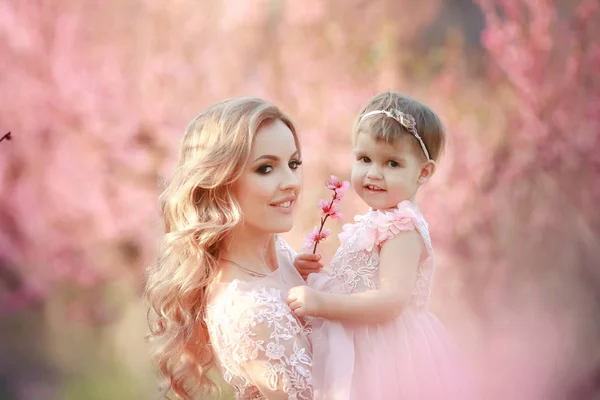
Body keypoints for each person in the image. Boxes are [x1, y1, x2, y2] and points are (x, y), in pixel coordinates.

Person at [288, 92, 472, 399]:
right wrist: (312, 275)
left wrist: (321, 303)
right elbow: (356, 282)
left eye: (392, 163)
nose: (374, 173)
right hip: (361, 340)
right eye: (364, 159)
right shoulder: (377, 220)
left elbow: (390, 301)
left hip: (385, 352)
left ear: (423, 172)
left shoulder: (403, 228)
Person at [145, 98, 313, 400]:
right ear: (220, 182)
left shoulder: (282, 254)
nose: (291, 182)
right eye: (265, 168)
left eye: (294, 163)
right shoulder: (250, 311)